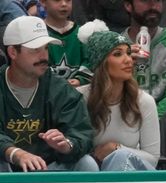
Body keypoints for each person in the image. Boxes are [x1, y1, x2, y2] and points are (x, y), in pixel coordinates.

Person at [0, 16, 96, 171]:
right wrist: (14, 153)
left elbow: (82, 133)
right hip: (5, 170)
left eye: (45, 48)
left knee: (86, 164)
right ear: (12, 52)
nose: (44, 56)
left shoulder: (60, 88)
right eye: (35, 50)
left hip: (48, 169)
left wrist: (67, 145)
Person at [76, 19, 159, 170]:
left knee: (120, 157)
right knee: (86, 162)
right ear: (100, 63)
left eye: (128, 53)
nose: (128, 60)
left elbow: (153, 159)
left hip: (131, 175)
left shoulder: (144, 101)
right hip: (91, 172)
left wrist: (116, 148)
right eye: (118, 54)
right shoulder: (79, 97)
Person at [121, 0, 166, 116]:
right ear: (128, 5)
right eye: (145, 1)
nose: (153, 6)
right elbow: (108, 97)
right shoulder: (115, 48)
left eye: (157, 1)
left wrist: (148, 123)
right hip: (128, 120)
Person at [44, 0, 91, 86]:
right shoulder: (39, 34)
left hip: (79, 90)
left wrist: (80, 79)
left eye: (68, 0)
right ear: (43, 2)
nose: (64, 4)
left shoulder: (82, 33)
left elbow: (89, 61)